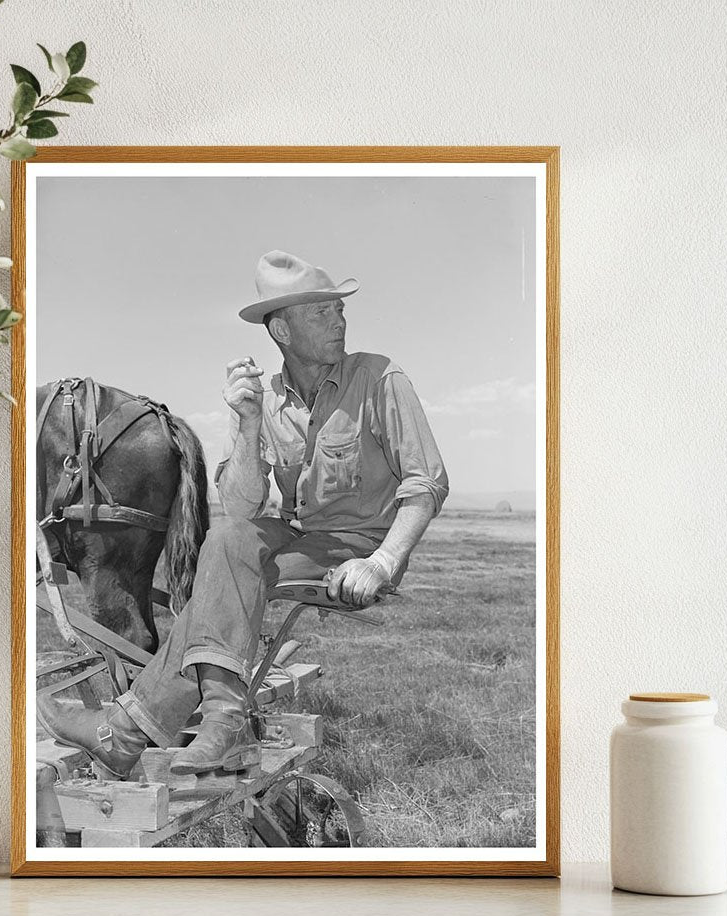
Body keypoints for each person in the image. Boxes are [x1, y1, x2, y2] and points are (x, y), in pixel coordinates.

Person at [37, 250, 449, 779]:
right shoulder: (267, 399)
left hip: (358, 547)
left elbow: (427, 483)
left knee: (223, 582)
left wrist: (383, 562)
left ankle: (134, 729)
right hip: (298, 537)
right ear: (281, 329)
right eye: (321, 312)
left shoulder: (380, 378)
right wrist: (249, 423)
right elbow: (239, 506)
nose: (339, 320)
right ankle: (216, 721)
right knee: (230, 543)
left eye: (338, 310)